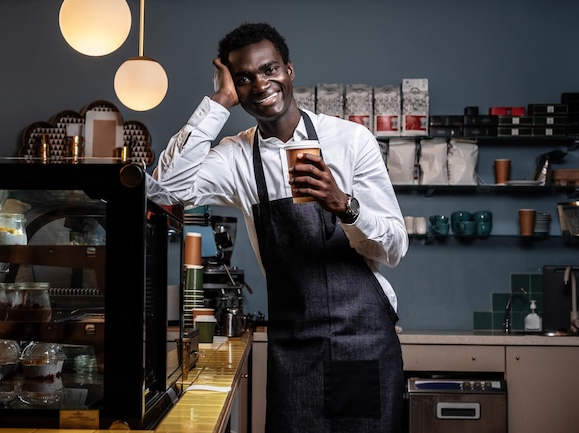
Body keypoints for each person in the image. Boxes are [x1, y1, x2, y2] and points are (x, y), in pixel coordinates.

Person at [147, 22, 408, 433]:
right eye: (244, 78)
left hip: (363, 341)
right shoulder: (235, 156)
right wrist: (219, 101)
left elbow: (393, 249)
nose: (260, 84)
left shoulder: (350, 140)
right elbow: (166, 191)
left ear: (289, 70)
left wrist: (344, 205)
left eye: (269, 70)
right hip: (294, 347)